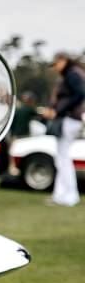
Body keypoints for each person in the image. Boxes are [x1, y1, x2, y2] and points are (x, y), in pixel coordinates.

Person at [40, 52, 85, 206]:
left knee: (63, 158)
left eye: (56, 64)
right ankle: (60, 195)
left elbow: (80, 94)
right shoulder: (71, 74)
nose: (55, 68)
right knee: (61, 158)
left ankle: (70, 196)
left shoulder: (73, 74)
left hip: (69, 119)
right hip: (68, 119)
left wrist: (58, 111)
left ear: (63, 60)